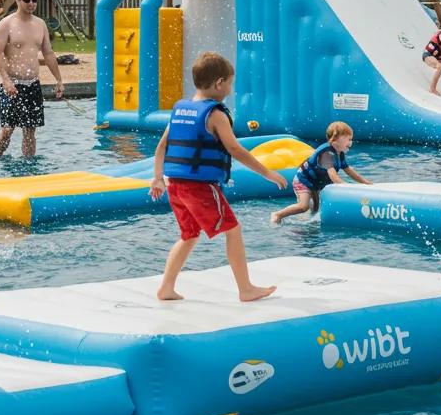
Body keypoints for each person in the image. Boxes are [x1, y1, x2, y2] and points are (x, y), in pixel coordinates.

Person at [149, 51, 287, 302]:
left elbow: (161, 147)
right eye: (230, 84)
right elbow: (234, 149)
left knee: (189, 235)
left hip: (175, 185)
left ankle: (166, 288)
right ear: (219, 83)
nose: (231, 91)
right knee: (233, 230)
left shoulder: (180, 110)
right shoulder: (215, 114)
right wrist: (267, 173)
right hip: (199, 186)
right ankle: (246, 289)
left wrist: (157, 178)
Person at [0, 0, 64, 157]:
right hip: (11, 85)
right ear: (17, 0)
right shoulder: (6, 23)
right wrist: (5, 80)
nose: (31, 3)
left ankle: (29, 170)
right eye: (26, 0)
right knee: (8, 130)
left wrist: (59, 80)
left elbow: (48, 53)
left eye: (34, 0)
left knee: (30, 131)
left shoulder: (40, 25)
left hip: (32, 84)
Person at [270, 121, 371, 224]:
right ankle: (278, 214)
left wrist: (367, 184)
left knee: (315, 210)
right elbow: (333, 176)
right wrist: (348, 188)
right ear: (336, 138)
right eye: (349, 139)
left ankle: (305, 222)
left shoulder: (339, 153)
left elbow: (349, 170)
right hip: (303, 181)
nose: (351, 142)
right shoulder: (327, 154)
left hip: (316, 183)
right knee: (303, 206)